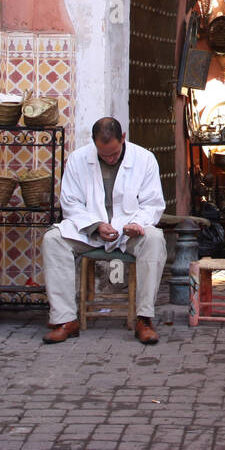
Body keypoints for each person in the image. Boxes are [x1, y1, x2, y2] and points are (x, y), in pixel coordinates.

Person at [41, 116, 167, 344]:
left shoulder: (145, 159)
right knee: (53, 239)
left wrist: (135, 224)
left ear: (123, 139)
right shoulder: (78, 159)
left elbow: (153, 204)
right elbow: (70, 202)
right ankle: (66, 319)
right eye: (103, 154)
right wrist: (95, 226)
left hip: (129, 232)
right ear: (94, 143)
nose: (109, 158)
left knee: (155, 239)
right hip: (91, 232)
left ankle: (144, 319)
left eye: (114, 153)